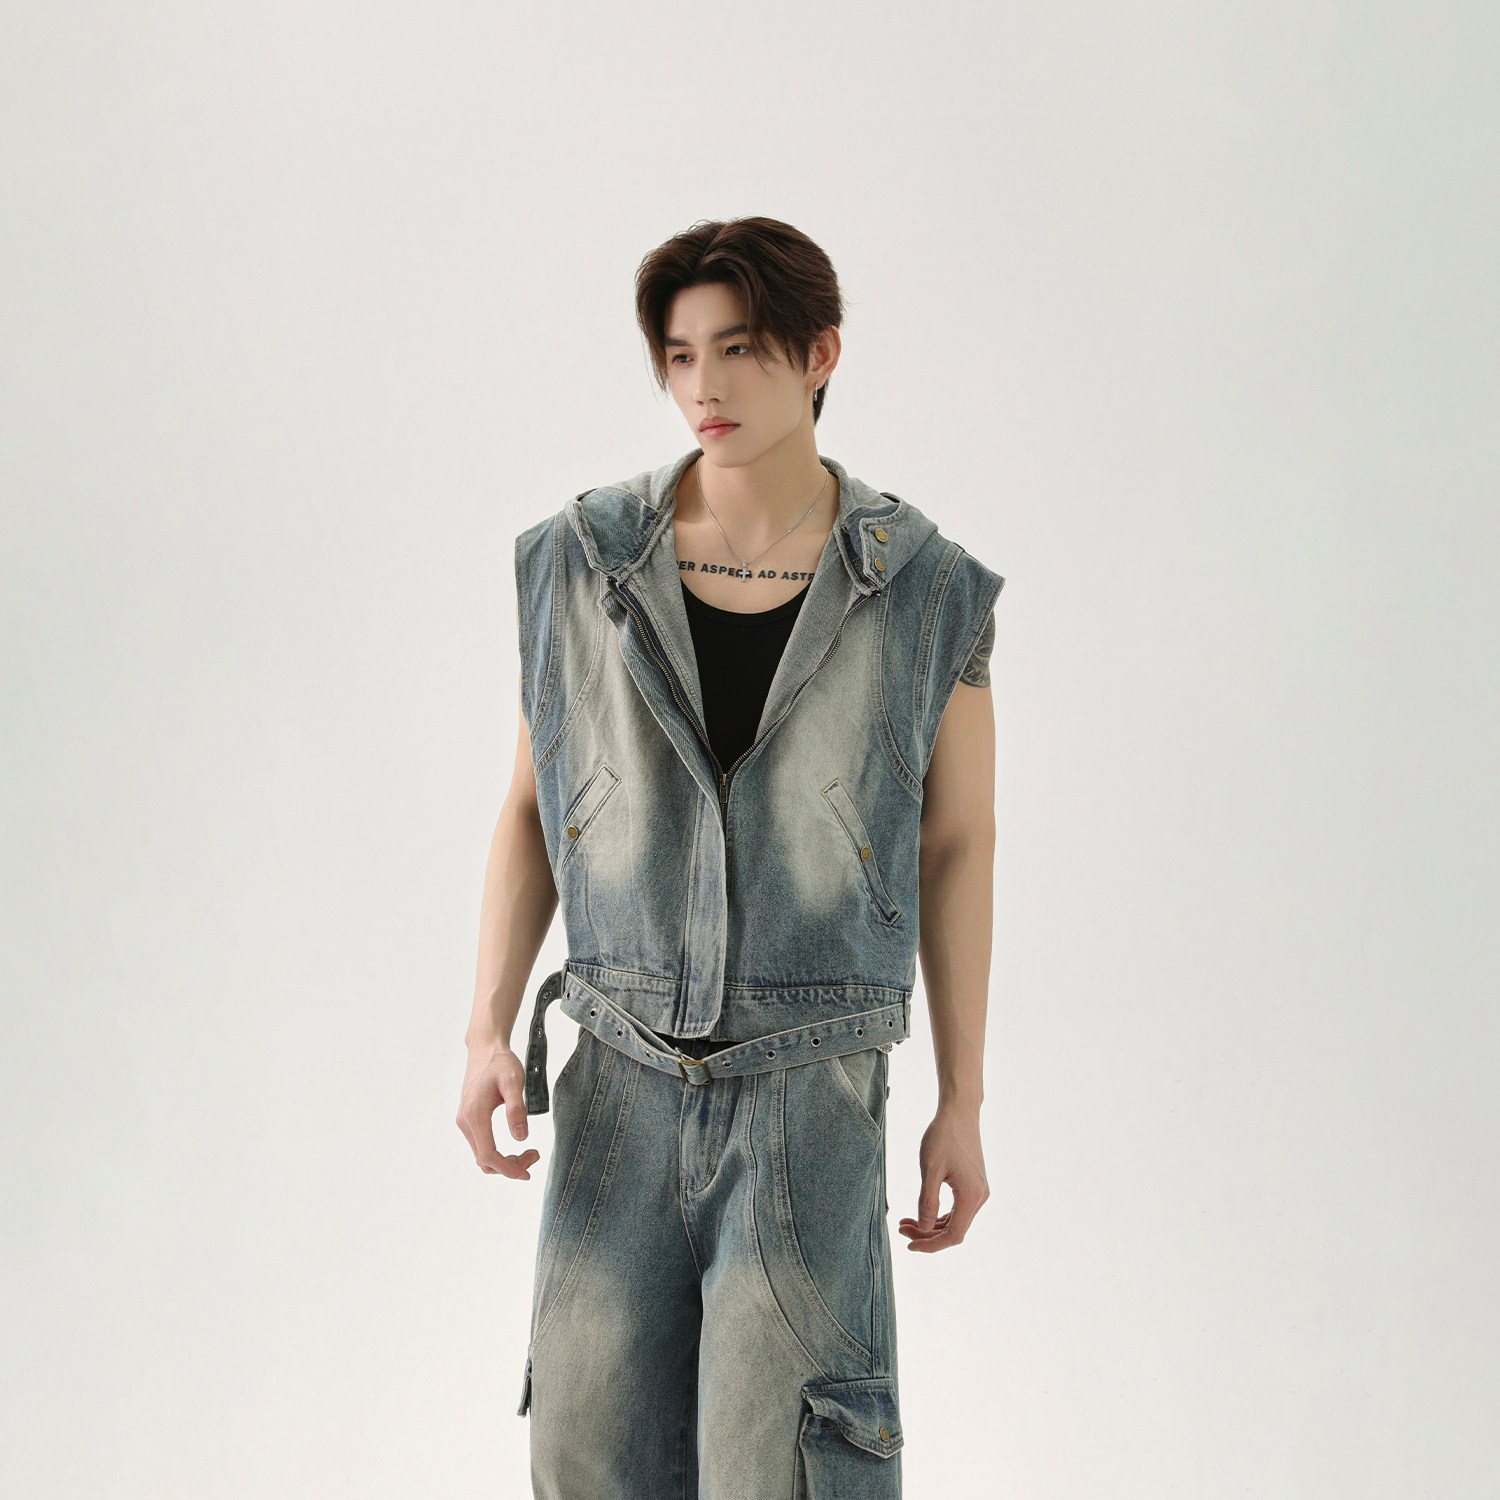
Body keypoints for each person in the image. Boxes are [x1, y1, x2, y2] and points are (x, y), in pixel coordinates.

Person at [456, 216, 1004, 1498]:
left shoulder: (926, 590)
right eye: (680, 353)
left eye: (741, 348)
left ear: (819, 354)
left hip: (810, 1097)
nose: (704, 384)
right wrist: (485, 1027)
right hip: (617, 1089)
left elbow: (958, 842)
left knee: (788, 1470)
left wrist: (964, 1101)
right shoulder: (582, 561)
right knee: (588, 1458)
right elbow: (532, 808)